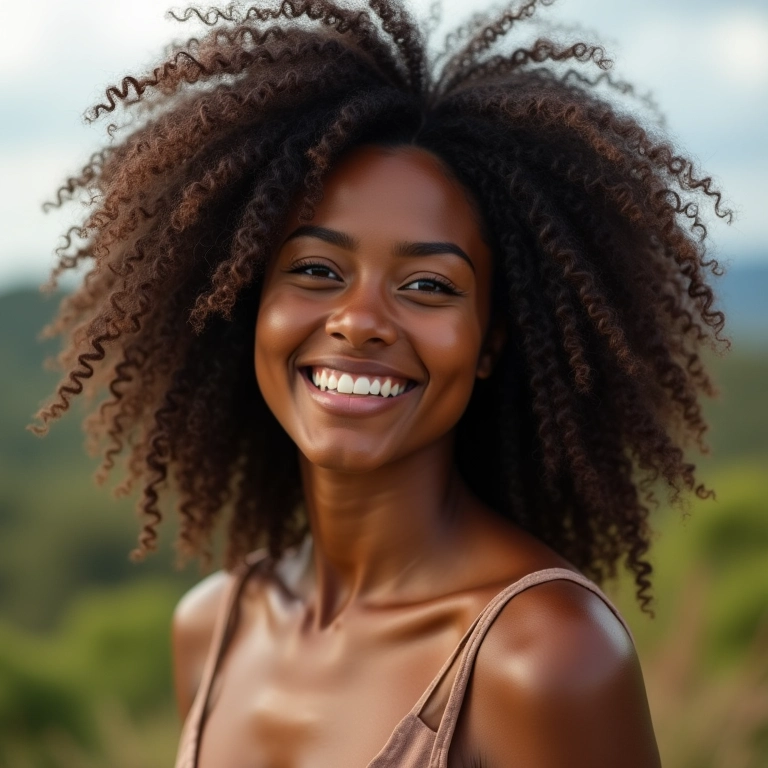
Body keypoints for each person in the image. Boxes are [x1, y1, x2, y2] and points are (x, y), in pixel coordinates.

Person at [34, 1, 730, 765]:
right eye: (316, 270)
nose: (358, 320)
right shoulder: (211, 627)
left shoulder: (547, 659)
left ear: (492, 340)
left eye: (429, 285)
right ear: (247, 303)